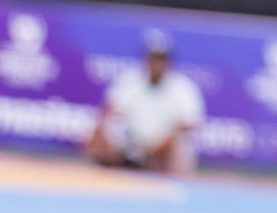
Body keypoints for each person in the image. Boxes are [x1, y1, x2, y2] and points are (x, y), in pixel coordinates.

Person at [84, 30, 204, 175]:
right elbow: (111, 108)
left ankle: (174, 186)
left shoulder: (183, 87)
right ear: (146, 59)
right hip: (133, 142)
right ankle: (105, 180)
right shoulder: (130, 80)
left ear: (168, 62)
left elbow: (189, 124)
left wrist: (157, 145)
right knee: (103, 129)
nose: (156, 64)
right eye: (153, 58)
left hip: (162, 146)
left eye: (161, 59)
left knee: (178, 142)